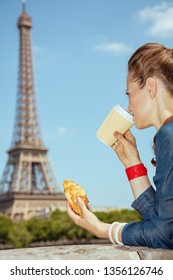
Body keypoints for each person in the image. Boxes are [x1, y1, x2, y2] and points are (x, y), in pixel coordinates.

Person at [67, 42, 173, 249]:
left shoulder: (167, 136)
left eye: (129, 94)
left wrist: (102, 229)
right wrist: (132, 163)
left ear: (151, 87)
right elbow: (163, 221)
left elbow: (164, 235)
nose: (129, 106)